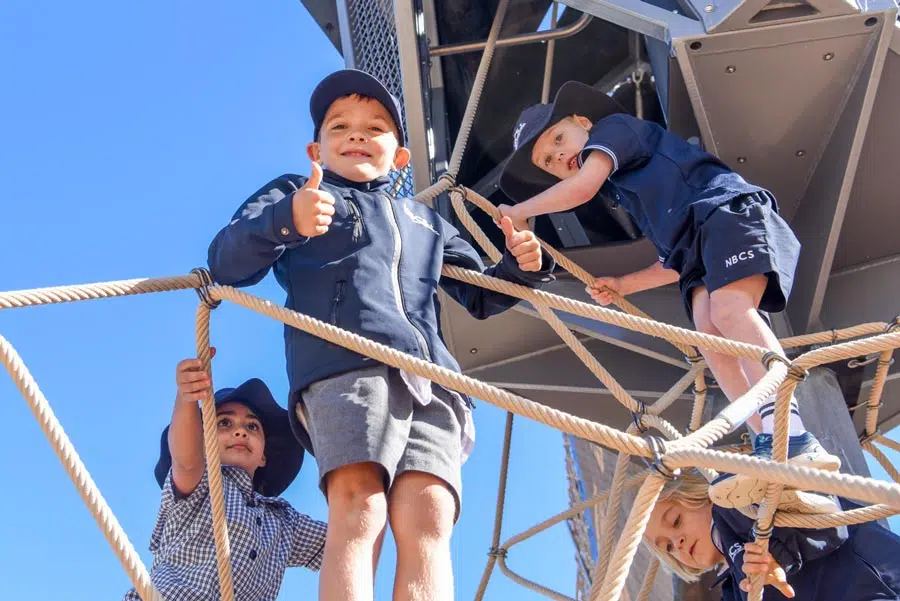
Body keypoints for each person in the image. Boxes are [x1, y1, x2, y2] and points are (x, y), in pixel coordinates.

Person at [207, 69, 554, 601]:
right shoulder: (299, 193)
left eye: (375, 128)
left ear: (400, 157)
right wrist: (287, 220)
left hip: (431, 378)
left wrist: (521, 267)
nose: (356, 134)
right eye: (339, 126)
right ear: (316, 151)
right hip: (344, 365)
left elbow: (482, 293)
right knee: (359, 501)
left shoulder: (425, 221)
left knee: (430, 514)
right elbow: (226, 262)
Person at [496, 80, 839, 506]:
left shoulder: (615, 131)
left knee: (730, 309)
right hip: (697, 248)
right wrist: (626, 284)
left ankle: (795, 435)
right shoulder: (627, 190)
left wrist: (520, 212)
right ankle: (767, 445)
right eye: (548, 160)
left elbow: (581, 188)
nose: (558, 155)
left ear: (583, 122)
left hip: (725, 211)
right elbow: (672, 259)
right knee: (711, 338)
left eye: (558, 139)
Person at [123, 350, 326, 601]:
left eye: (252, 426)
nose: (240, 432)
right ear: (203, 442)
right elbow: (186, 461)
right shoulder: (201, 483)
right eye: (224, 423)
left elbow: (337, 541)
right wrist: (187, 397)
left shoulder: (284, 521)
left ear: (264, 455)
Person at [643, 468, 900, 600]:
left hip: (874, 587)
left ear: (701, 495)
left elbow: (827, 520)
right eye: (668, 547)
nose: (677, 542)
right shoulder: (733, 589)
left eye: (676, 521)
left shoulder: (742, 503)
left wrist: (776, 556)